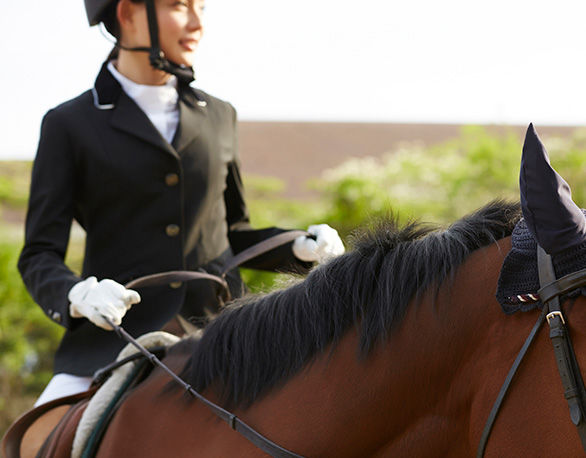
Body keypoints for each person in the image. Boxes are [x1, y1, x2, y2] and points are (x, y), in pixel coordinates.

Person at [17, 0, 346, 409]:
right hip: (115, 338)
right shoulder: (69, 123)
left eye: (202, 8)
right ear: (127, 14)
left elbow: (233, 233)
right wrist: (77, 295)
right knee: (25, 454)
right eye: (178, 5)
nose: (197, 24)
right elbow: (38, 255)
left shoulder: (219, 115)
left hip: (221, 330)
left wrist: (299, 246)